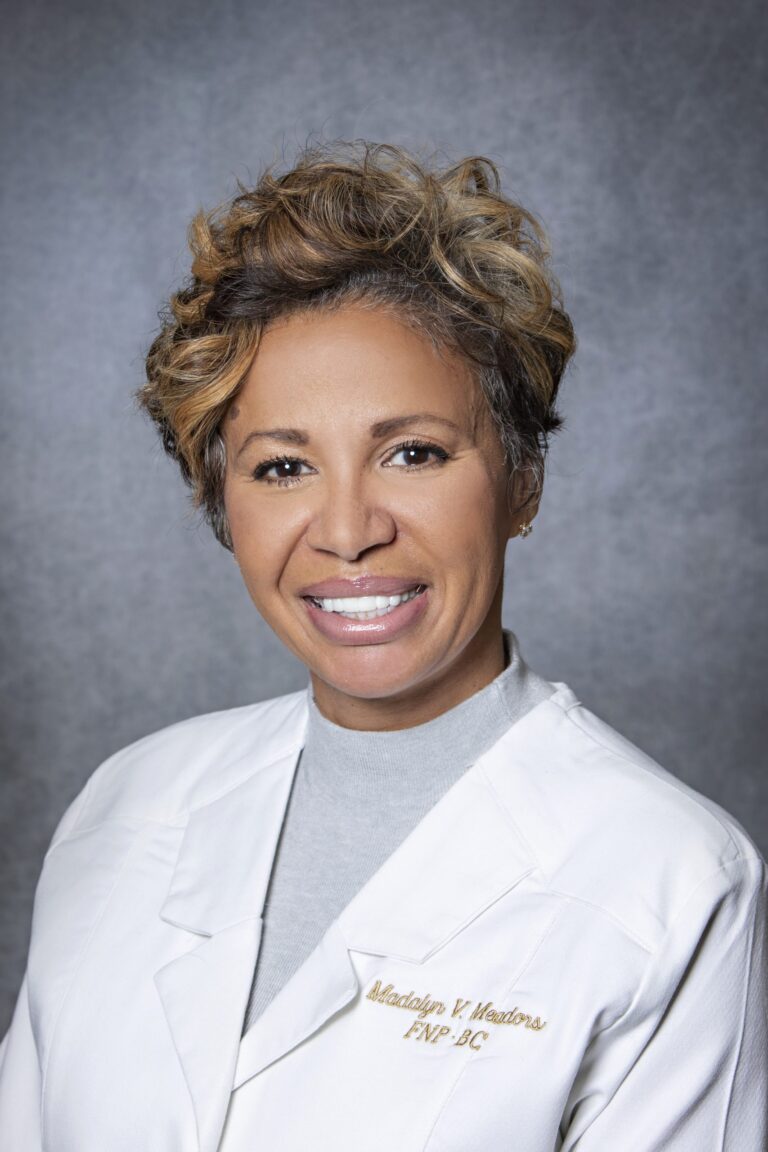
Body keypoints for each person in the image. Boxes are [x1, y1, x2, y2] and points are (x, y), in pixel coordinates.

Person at [0, 140, 765, 1152]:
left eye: (413, 453)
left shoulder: (675, 881)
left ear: (522, 481)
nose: (348, 528)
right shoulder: (125, 808)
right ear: (221, 503)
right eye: (282, 468)